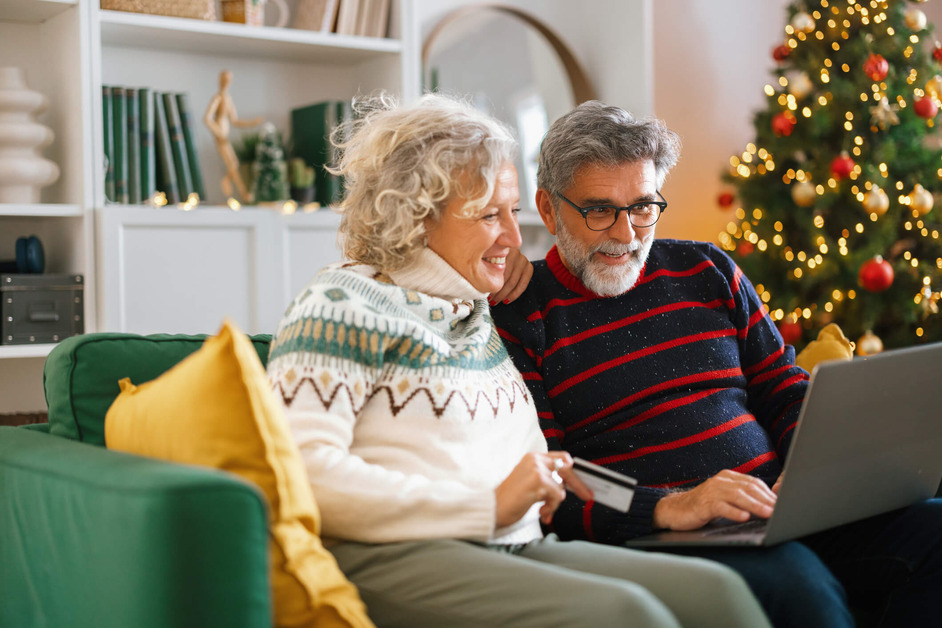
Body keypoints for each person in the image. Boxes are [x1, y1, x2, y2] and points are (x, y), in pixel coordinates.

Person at [265, 93, 771, 628]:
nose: (513, 238)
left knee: (718, 595)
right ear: (414, 216)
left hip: (507, 541)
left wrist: (666, 505)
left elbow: (558, 476)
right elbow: (298, 473)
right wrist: (486, 508)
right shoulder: (339, 305)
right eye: (489, 215)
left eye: (512, 211)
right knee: (630, 615)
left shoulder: (474, 315)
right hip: (391, 553)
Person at [491, 100, 942, 628]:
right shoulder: (521, 318)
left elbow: (782, 386)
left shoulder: (707, 269)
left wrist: (810, 475)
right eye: (598, 211)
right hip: (666, 533)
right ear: (547, 209)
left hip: (776, 508)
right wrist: (670, 506)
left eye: (642, 207)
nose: (626, 234)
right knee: (798, 585)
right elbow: (552, 476)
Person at [203, 69, 263, 201]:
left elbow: (235, 120)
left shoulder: (228, 98)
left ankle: (235, 187)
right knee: (233, 164)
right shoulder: (217, 98)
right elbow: (207, 118)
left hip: (225, 134)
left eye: (229, 80)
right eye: (224, 80)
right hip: (221, 136)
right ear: (220, 81)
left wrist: (252, 123)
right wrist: (218, 132)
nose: (226, 82)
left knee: (234, 164)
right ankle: (243, 193)